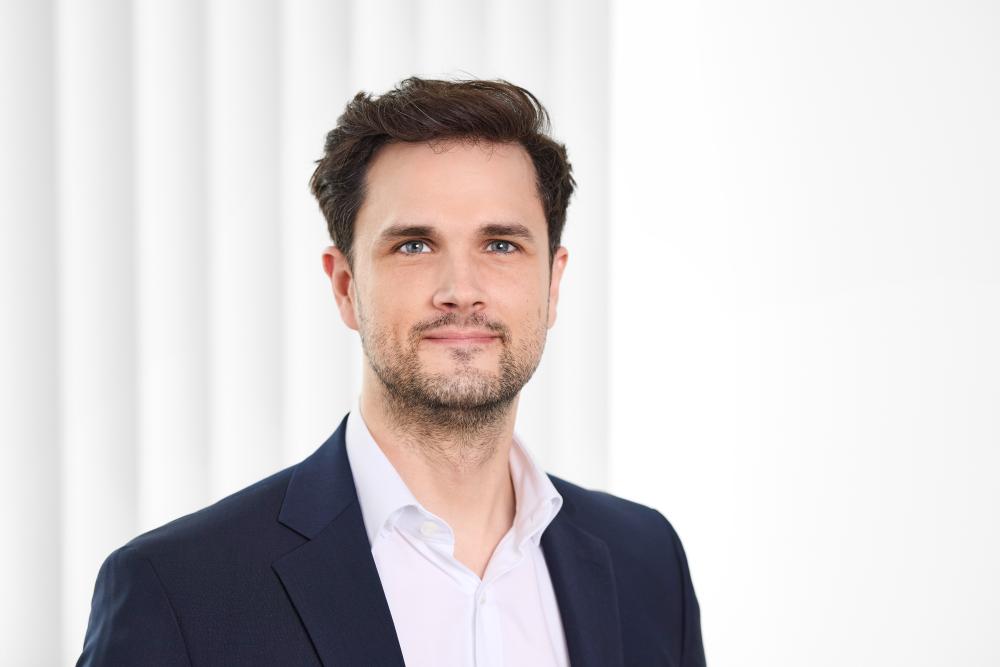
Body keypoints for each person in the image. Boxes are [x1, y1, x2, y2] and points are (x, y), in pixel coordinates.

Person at [78, 77, 706, 667]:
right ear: (346, 286)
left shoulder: (646, 562)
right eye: (413, 245)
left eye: (501, 245)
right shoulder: (179, 590)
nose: (461, 290)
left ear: (553, 283)